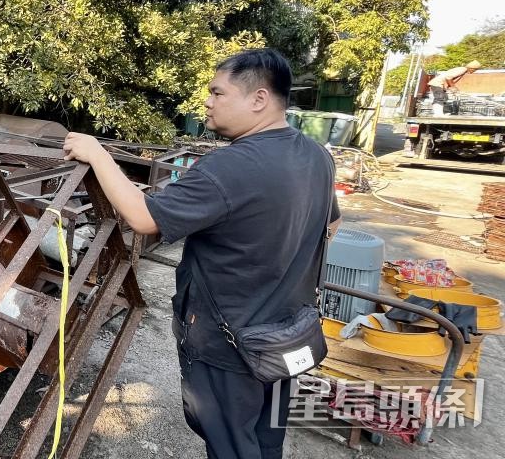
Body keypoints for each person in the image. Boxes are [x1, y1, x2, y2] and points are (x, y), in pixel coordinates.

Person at [63, 48, 340, 459]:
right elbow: (332, 223)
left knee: (230, 446)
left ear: (259, 99)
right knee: (266, 440)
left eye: (218, 92)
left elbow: (143, 217)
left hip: (230, 345)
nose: (207, 103)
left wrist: (97, 153)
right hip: (287, 334)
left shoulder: (230, 167)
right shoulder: (317, 156)